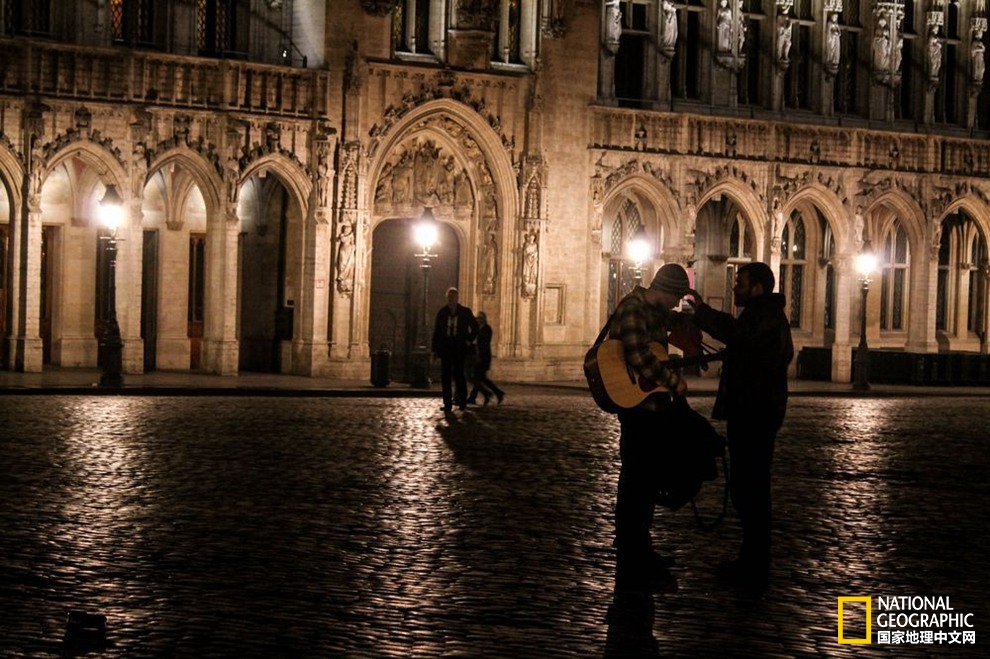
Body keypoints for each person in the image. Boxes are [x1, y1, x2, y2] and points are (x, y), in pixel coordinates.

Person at [685, 262, 794, 591]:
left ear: (758, 287)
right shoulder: (762, 314)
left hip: (755, 414)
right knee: (749, 490)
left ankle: (755, 564)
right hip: (753, 411)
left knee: (752, 490)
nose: (735, 289)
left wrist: (702, 311)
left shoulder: (765, 316)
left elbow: (736, 334)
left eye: (741, 283)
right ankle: (751, 559)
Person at [608, 263, 699, 589]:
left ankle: (640, 551)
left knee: (643, 482)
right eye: (676, 297)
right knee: (636, 483)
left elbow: (662, 339)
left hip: (650, 407)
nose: (676, 305)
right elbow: (638, 357)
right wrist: (672, 380)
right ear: (664, 289)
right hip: (638, 409)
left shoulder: (652, 311)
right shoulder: (633, 307)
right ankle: (633, 557)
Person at [431, 287, 479, 412]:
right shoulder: (442, 313)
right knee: (445, 377)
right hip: (446, 348)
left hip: (459, 348)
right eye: (449, 297)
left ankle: (462, 401)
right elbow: (437, 332)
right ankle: (447, 404)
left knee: (459, 375)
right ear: (447, 298)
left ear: (457, 298)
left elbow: (475, 327)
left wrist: (468, 339)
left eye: (453, 297)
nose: (451, 300)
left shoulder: (465, 312)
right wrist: (435, 350)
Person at [466, 311, 505, 406]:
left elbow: (484, 343)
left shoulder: (487, 329)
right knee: (481, 378)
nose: (478, 320)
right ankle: (495, 393)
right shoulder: (477, 329)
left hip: (483, 356)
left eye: (480, 318)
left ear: (484, 319)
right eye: (477, 318)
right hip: (477, 356)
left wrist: (474, 343)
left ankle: (488, 394)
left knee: (477, 378)